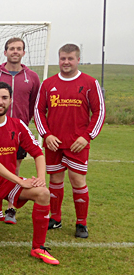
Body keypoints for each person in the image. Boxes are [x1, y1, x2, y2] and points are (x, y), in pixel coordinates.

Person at [0, 82, 59, 265]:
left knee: (43, 193)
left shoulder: (18, 125)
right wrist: (20, 180)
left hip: (8, 184)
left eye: (4, 98)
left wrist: (40, 179)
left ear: (10, 100)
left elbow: (38, 152)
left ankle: (38, 247)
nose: (0, 102)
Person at [34, 44, 105, 238]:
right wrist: (46, 135)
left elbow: (99, 112)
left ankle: (81, 223)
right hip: (53, 143)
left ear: (77, 60)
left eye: (70, 59)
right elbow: (39, 111)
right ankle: (55, 218)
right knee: (55, 180)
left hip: (77, 143)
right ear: (59, 59)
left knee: (77, 180)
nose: (66, 62)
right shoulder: (48, 84)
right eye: (63, 58)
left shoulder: (90, 83)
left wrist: (87, 136)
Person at [0, 38, 41, 224]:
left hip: (17, 131)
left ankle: (10, 208)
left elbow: (33, 104)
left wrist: (24, 122)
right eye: (11, 48)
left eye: (19, 49)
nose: (15, 51)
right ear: (5, 52)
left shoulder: (31, 77)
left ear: (24, 52)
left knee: (14, 168)